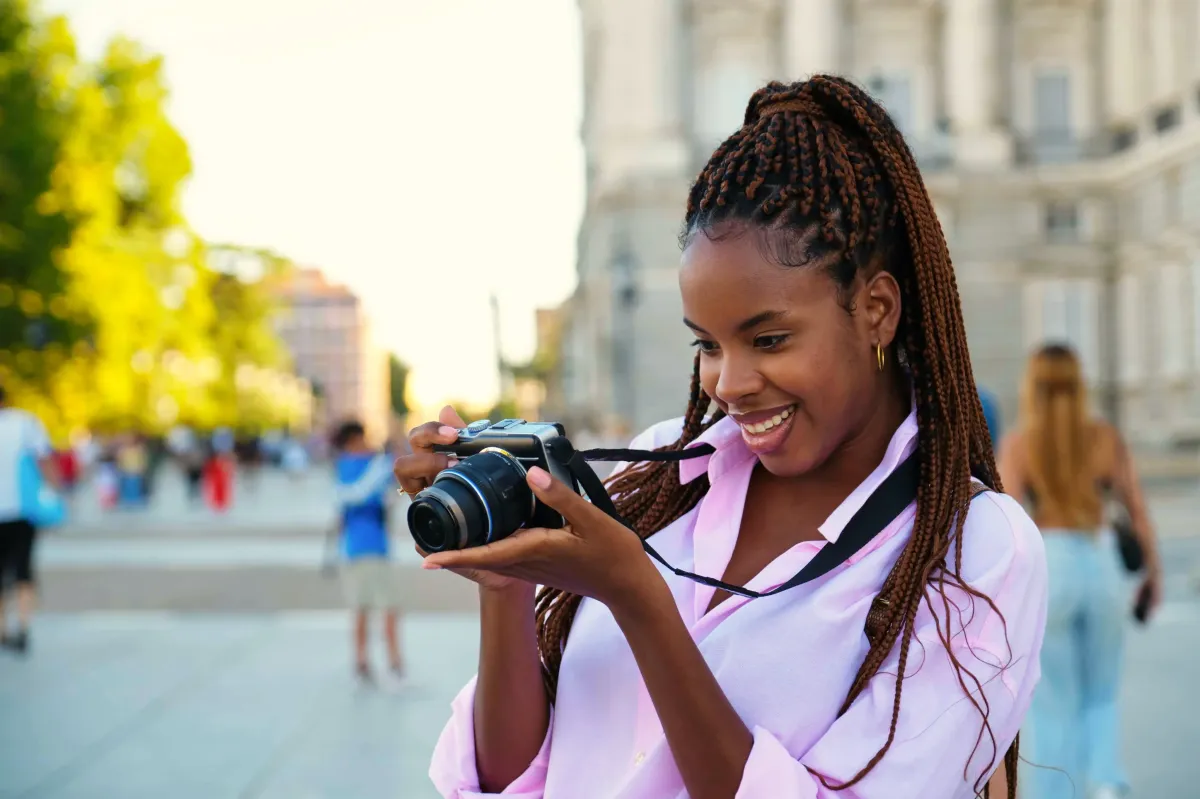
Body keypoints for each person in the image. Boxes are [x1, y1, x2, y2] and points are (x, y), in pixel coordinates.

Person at [398, 75, 1047, 799]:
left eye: (768, 338)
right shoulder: (651, 485)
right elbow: (509, 780)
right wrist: (507, 587)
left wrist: (640, 601)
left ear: (877, 309)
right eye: (706, 344)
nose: (728, 383)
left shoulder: (977, 548)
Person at [997, 343, 1161, 799]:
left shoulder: (1020, 445)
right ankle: (1106, 782)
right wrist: (1154, 576)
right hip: (1101, 557)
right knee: (1102, 690)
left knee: (1051, 703)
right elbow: (1138, 512)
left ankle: (1057, 792)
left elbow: (1006, 528)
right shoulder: (1104, 438)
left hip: (1053, 567)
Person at [332, 420, 404, 682]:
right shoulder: (364, 466)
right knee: (386, 606)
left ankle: (363, 660)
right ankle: (392, 660)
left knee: (362, 607)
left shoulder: (346, 467)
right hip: (370, 547)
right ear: (353, 440)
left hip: (358, 547)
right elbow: (361, 495)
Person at [0, 384, 56, 655]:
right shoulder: (25, 423)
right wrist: (52, 492)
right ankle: (23, 625)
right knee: (24, 569)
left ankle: (2, 628)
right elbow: (44, 458)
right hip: (22, 509)